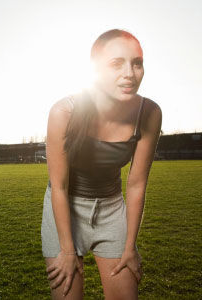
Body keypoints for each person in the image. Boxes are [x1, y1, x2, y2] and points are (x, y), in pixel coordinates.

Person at [41, 29, 162, 299]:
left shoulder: (150, 113)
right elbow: (59, 186)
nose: (130, 73)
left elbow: (136, 184)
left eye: (137, 63)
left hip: (111, 210)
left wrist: (130, 246)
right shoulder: (64, 111)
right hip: (65, 209)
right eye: (116, 63)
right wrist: (68, 251)